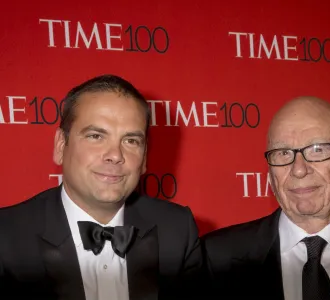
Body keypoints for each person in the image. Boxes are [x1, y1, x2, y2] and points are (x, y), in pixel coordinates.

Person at [0, 74, 203, 300]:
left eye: (131, 141)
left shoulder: (177, 230)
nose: (115, 155)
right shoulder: (6, 237)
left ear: (144, 158)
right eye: (96, 136)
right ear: (60, 146)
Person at [201, 97, 330, 300]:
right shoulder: (213, 259)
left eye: (318, 150)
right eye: (283, 153)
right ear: (269, 172)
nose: (298, 169)